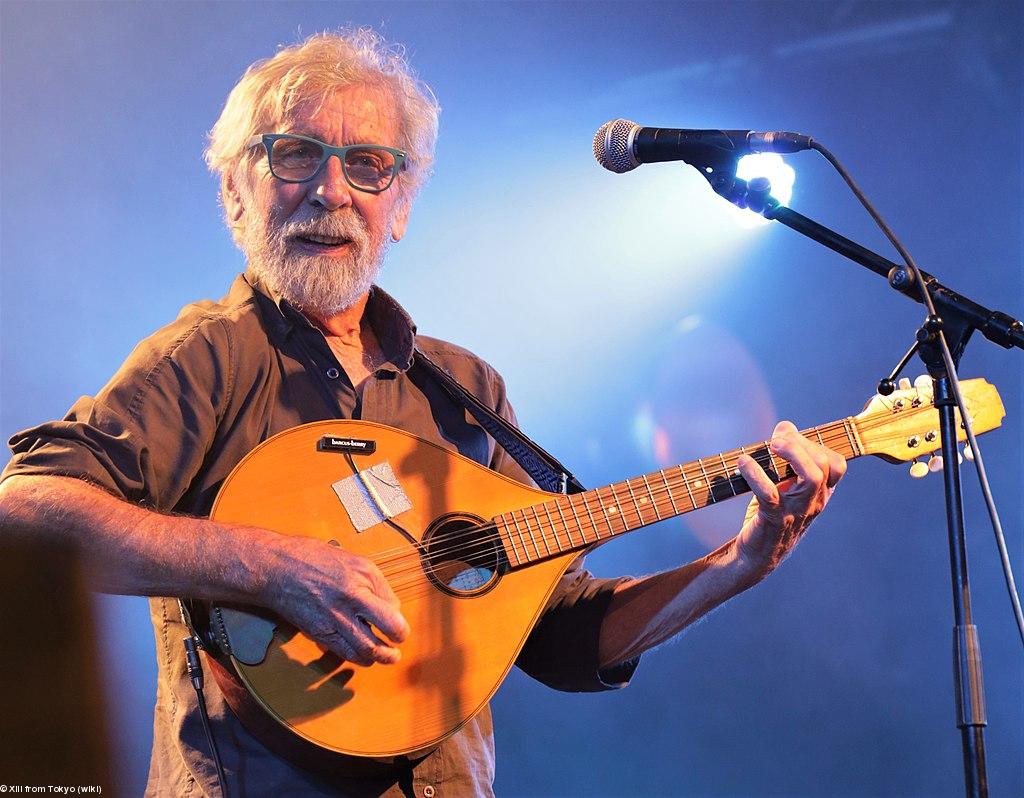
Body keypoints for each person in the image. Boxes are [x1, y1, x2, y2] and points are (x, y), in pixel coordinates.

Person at [0, 28, 846, 797]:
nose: (332, 189)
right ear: (234, 192)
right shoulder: (208, 358)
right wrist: (269, 567)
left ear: (400, 206)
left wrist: (737, 565)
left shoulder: (466, 389)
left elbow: (559, 634)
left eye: (369, 165)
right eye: (295, 155)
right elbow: (25, 516)